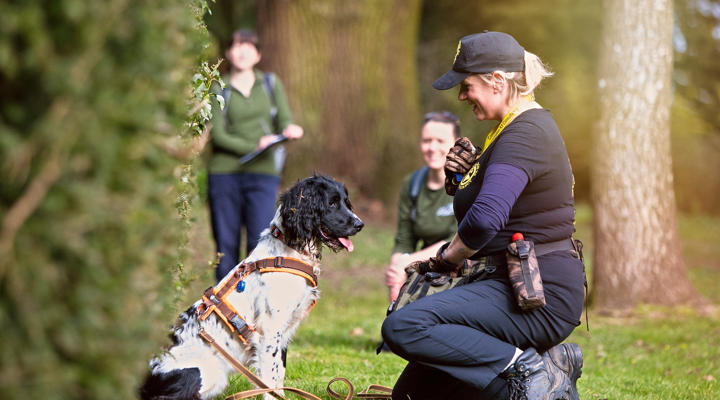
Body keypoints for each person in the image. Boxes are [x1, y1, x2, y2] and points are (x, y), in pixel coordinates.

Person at [381, 31, 585, 400]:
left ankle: (536, 375)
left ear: (496, 80)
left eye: (466, 85)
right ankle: (547, 363)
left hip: (540, 294)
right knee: (411, 395)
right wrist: (462, 181)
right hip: (501, 282)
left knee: (404, 327)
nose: (461, 96)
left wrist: (444, 260)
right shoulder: (504, 132)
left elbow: (483, 220)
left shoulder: (527, 133)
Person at [208, 29, 304, 282]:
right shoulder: (218, 87)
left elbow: (284, 120)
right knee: (225, 246)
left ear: (258, 54)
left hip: (263, 174)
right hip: (224, 174)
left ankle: (255, 306)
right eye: (237, 45)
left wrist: (289, 130)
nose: (242, 51)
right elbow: (218, 136)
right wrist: (256, 144)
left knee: (259, 242)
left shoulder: (271, 84)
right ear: (228, 52)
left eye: (248, 46)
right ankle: (223, 309)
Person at [384, 112, 460, 303]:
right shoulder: (412, 183)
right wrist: (396, 269)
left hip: (462, 269)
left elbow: (456, 240)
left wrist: (408, 261)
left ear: (456, 143)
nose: (432, 147)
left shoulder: (467, 184)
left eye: (440, 140)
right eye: (427, 140)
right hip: (426, 269)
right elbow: (404, 238)